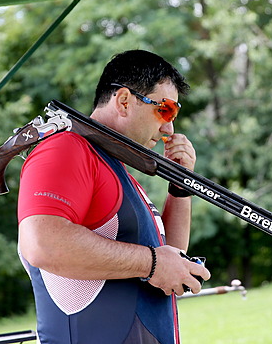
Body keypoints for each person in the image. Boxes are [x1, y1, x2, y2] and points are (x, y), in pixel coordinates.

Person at [17, 49, 211, 344]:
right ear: (123, 101)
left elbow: (171, 260)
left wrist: (181, 184)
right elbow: (41, 243)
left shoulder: (117, 169)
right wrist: (151, 263)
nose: (169, 127)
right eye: (165, 110)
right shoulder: (67, 148)